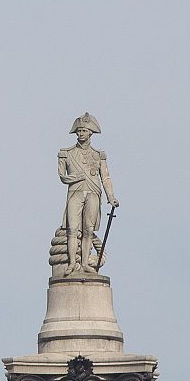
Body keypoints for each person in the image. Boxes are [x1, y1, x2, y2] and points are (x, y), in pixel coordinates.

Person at [58, 112, 119, 275]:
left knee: (88, 231)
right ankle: (72, 263)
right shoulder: (67, 153)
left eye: (84, 131)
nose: (80, 134)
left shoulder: (98, 155)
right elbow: (62, 176)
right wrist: (74, 177)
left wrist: (111, 197)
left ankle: (84, 263)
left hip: (93, 193)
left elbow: (105, 177)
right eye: (78, 131)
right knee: (72, 229)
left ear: (90, 133)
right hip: (75, 193)